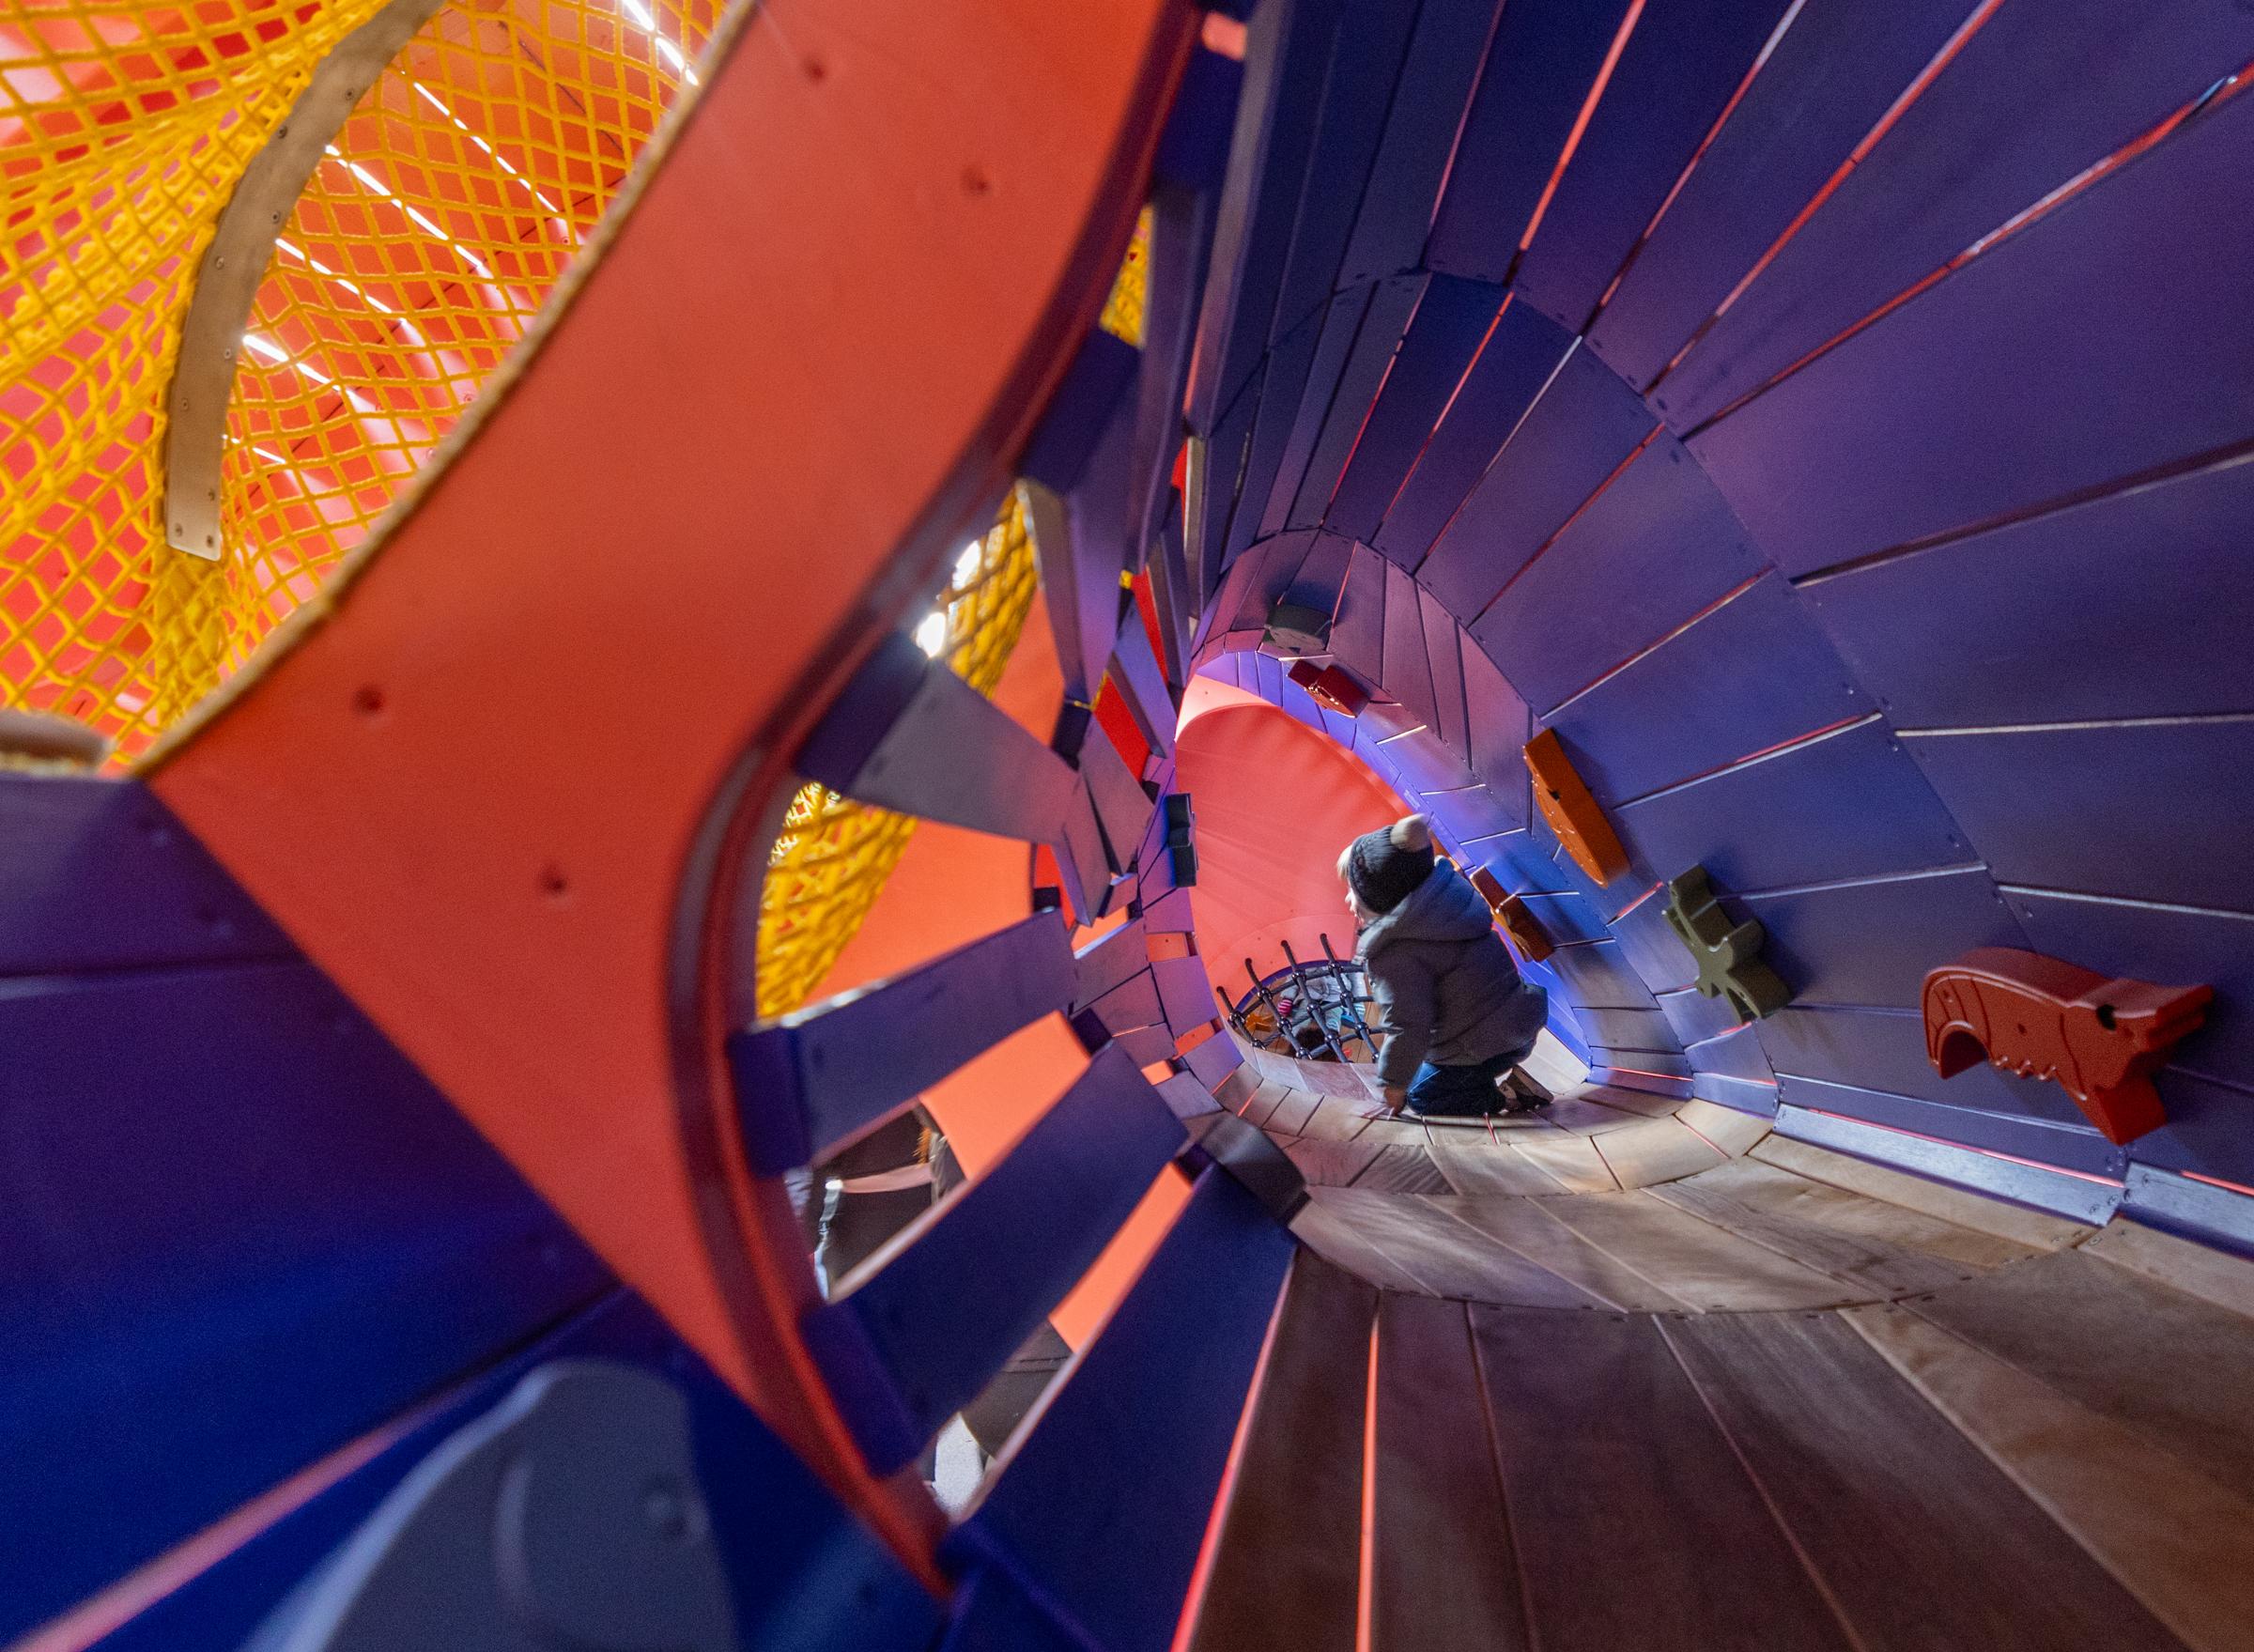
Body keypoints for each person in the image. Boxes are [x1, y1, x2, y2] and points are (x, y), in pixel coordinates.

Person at [1340, 813, 1549, 1118]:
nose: (1348, 899)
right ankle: (1480, 1080)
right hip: (1521, 1016)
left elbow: (1408, 1024)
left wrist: (1393, 1086)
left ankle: (1507, 1098)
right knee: (1426, 1069)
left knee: (1422, 1097)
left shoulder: (1395, 953)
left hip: (1478, 1045)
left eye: (1354, 892)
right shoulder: (1453, 906)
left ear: (1382, 899)